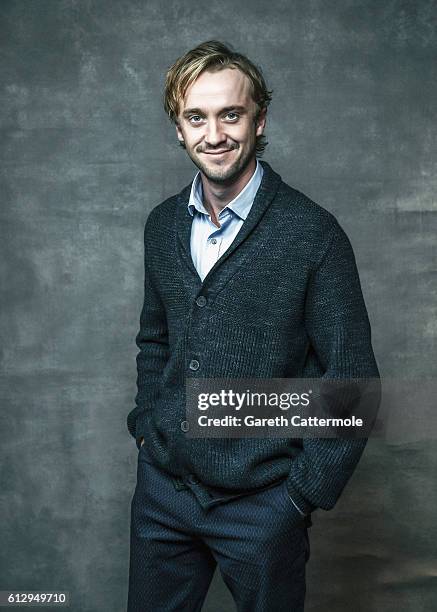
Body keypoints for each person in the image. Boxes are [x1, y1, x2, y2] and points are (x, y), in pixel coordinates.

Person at [126, 40, 380, 612]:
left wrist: (299, 495)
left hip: (263, 505)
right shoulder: (161, 225)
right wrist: (148, 426)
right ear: (178, 128)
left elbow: (354, 379)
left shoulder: (313, 234)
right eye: (197, 117)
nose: (213, 134)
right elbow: (154, 340)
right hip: (164, 495)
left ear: (259, 119)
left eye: (230, 114)